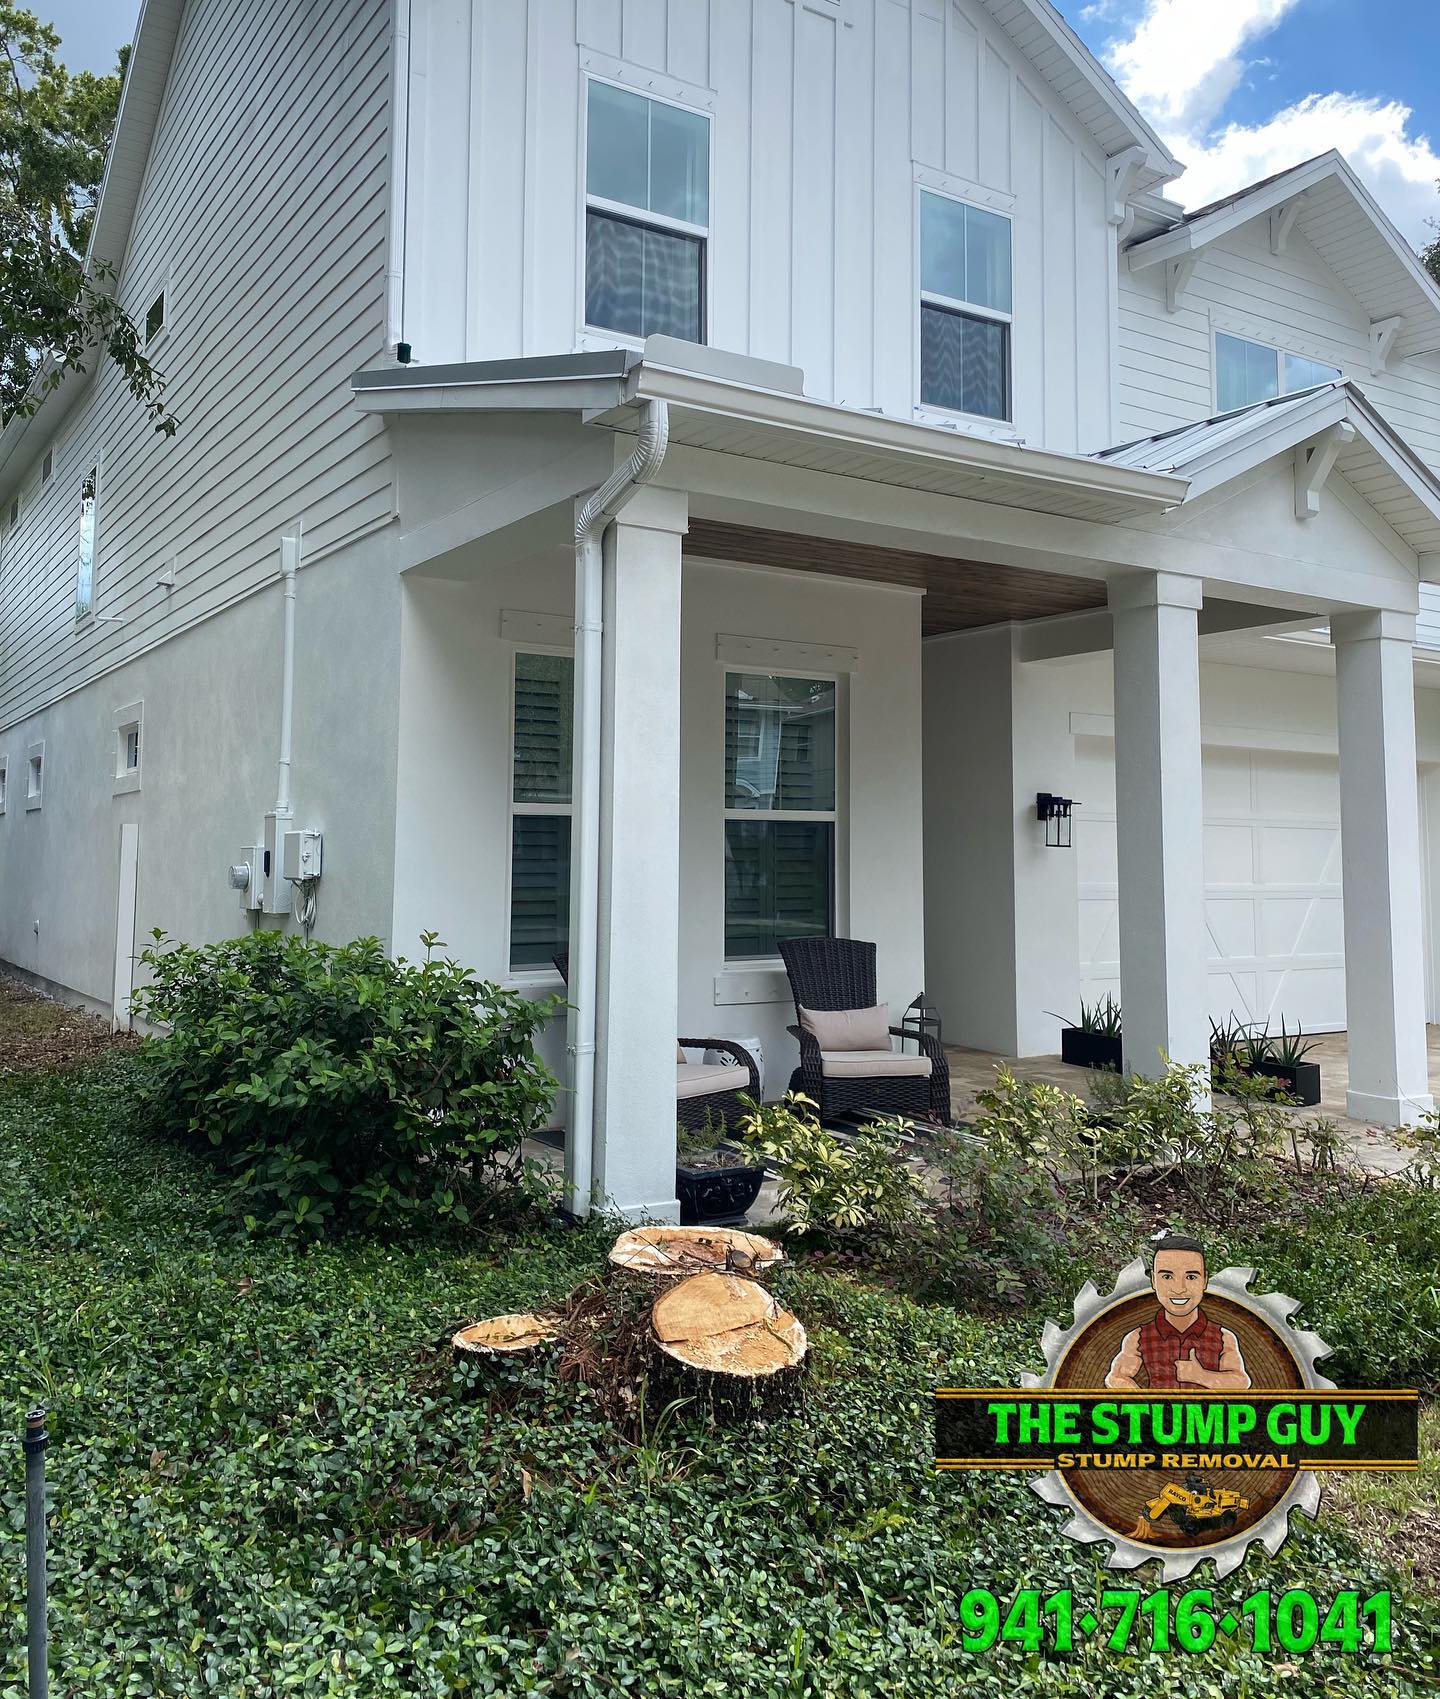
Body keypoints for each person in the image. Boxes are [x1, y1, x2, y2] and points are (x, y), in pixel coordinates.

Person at [1105, 1234, 1251, 1390]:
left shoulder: (1223, 1337)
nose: (1179, 1289)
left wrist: (1200, 1376)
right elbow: (1116, 1377)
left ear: (1204, 1281)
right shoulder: (1139, 1337)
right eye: (1167, 1276)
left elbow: (1241, 1382)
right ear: (1154, 1281)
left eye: (1191, 1276)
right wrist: (1146, 1404)